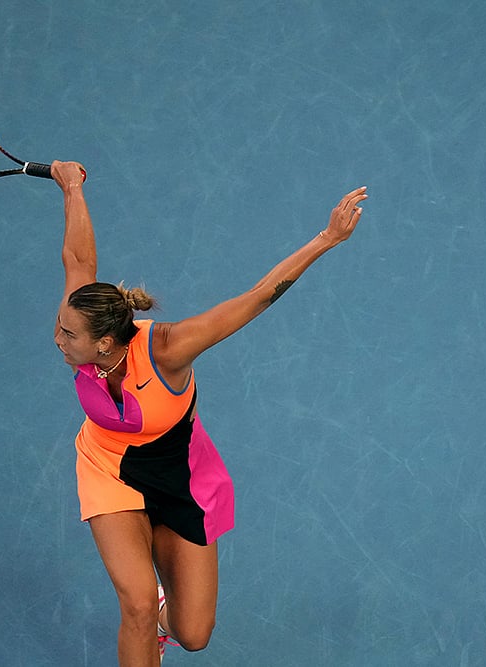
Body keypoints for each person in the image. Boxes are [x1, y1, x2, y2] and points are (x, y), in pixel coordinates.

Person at [50, 160, 367, 666]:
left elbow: (258, 297)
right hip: (108, 469)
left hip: (183, 481)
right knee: (133, 602)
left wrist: (327, 238)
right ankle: (143, 616)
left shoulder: (168, 350)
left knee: (193, 634)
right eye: (61, 327)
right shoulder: (84, 312)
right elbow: (77, 259)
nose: (58, 339)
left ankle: (160, 616)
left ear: (105, 342)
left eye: (68, 335)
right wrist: (70, 185)